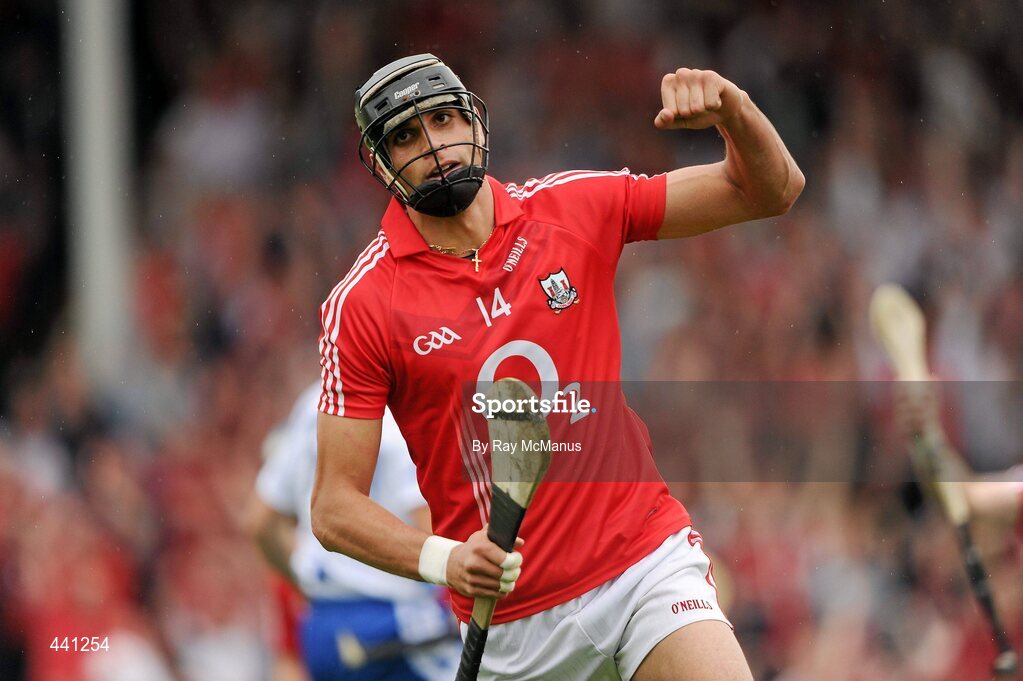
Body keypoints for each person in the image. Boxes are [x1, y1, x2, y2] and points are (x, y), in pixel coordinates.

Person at [312, 53, 804, 680]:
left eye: (441, 120)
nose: (433, 146)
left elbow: (768, 190)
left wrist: (732, 110)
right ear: (380, 164)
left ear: (474, 124)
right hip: (514, 629)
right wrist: (445, 560)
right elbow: (333, 506)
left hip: (641, 565)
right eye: (405, 135)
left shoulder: (570, 209)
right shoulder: (363, 303)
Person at [248, 383, 461, 681]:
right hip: (395, 624)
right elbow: (432, 525)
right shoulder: (400, 414)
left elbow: (261, 523)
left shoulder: (313, 403)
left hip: (324, 629)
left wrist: (310, 587)